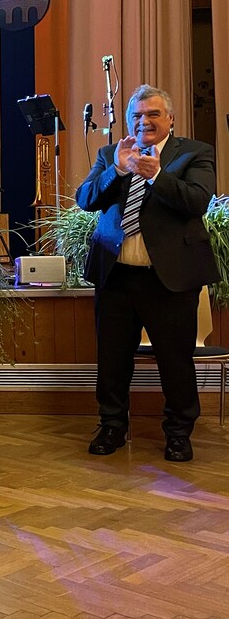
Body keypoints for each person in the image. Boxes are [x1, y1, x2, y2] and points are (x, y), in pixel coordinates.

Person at [76, 84, 218, 463]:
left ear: (170, 118)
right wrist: (118, 170)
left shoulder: (194, 153)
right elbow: (85, 199)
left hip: (169, 279)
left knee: (175, 361)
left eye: (153, 114)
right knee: (112, 360)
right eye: (137, 116)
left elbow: (197, 201)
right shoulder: (111, 154)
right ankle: (111, 426)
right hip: (116, 276)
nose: (144, 122)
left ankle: (178, 434)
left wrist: (157, 176)